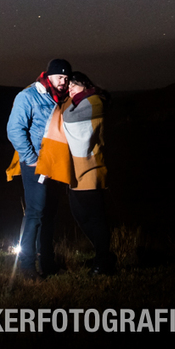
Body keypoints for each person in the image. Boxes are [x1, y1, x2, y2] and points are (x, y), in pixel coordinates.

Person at [6, 58, 71, 278]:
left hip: (55, 165)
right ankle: (26, 266)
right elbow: (15, 129)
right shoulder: (29, 96)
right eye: (60, 76)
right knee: (35, 213)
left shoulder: (61, 98)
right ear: (49, 75)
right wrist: (30, 158)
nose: (64, 81)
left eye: (67, 77)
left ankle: (48, 263)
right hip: (35, 164)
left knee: (50, 214)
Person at [57, 71, 116, 274]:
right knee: (80, 216)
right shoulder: (79, 102)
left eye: (74, 85)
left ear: (85, 83)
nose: (70, 89)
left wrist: (64, 106)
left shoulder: (94, 101)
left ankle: (103, 261)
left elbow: (69, 119)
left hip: (91, 169)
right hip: (75, 172)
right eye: (68, 86)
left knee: (95, 217)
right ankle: (104, 255)